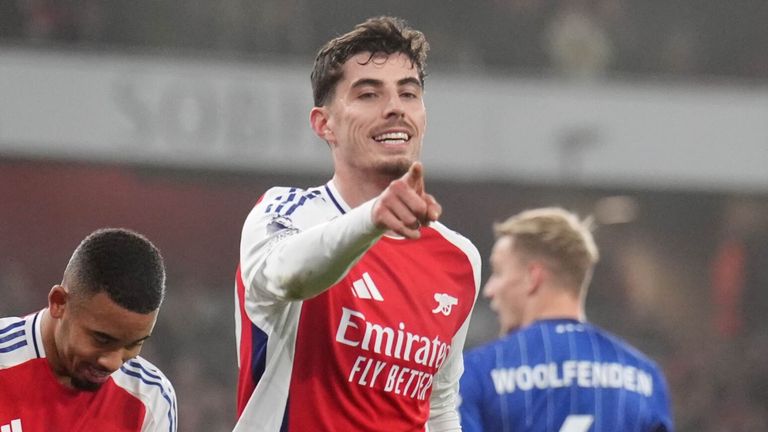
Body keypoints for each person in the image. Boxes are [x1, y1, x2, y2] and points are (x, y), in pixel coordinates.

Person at [234, 16, 481, 432]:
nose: (395, 107)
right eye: (368, 94)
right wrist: (371, 220)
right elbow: (287, 278)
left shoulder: (460, 260)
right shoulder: (284, 212)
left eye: (409, 92)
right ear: (323, 124)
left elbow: (437, 407)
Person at [458, 207, 673, 431]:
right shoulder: (645, 377)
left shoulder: (480, 371)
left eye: (498, 272)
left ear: (533, 277)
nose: (490, 290)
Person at [0, 228, 177, 431]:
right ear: (59, 303)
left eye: (133, 344)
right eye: (101, 339)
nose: (112, 362)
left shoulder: (149, 398)